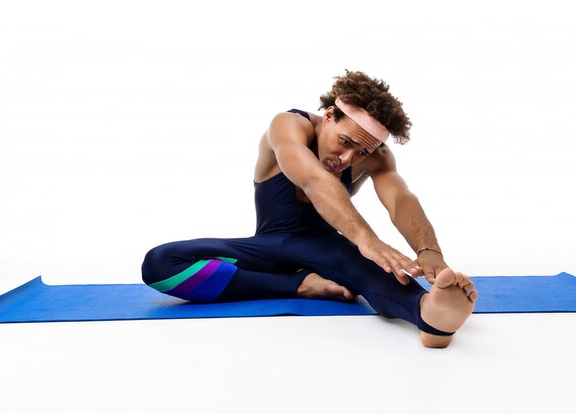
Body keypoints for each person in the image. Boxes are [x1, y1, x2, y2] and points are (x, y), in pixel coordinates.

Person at [141, 70, 478, 348]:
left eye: (362, 152)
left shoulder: (376, 155)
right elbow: (316, 181)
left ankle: (430, 317)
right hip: (267, 250)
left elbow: (400, 198)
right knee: (160, 263)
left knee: (369, 267)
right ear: (329, 114)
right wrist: (366, 239)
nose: (348, 160)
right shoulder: (288, 125)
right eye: (345, 143)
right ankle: (300, 285)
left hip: (324, 247)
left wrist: (429, 250)